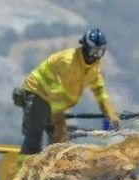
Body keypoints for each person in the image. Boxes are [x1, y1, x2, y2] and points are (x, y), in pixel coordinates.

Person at [14, 28, 120, 156]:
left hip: (53, 101)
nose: (95, 56)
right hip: (38, 93)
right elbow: (55, 92)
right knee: (34, 139)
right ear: (85, 48)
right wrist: (59, 121)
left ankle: (51, 169)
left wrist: (110, 115)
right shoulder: (69, 62)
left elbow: (100, 92)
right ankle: (22, 172)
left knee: (60, 141)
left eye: (100, 52)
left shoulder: (94, 67)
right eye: (93, 51)